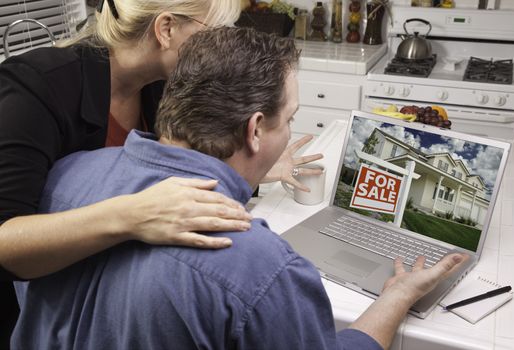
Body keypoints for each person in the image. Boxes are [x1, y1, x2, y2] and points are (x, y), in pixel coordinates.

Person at [12, 27, 467, 350]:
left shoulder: (66, 176)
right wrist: (397, 296)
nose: (289, 129)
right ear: (254, 130)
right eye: (288, 119)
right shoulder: (262, 268)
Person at [0, 0, 321, 345]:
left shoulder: (161, 84)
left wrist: (255, 165)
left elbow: (178, 159)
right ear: (166, 28)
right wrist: (132, 214)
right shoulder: (37, 88)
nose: (222, 46)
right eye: (214, 32)